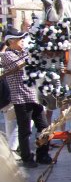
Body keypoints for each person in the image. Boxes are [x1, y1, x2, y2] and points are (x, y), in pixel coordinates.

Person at [0, 28, 51, 168]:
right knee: (25, 130)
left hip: (34, 96)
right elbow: (22, 66)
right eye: (20, 39)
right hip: (21, 98)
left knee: (44, 127)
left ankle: (43, 154)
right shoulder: (7, 55)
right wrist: (35, 55)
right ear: (11, 41)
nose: (23, 41)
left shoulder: (24, 52)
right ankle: (27, 158)